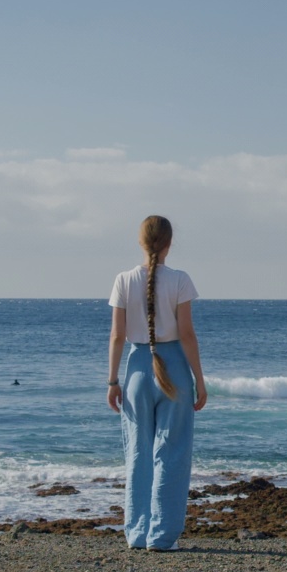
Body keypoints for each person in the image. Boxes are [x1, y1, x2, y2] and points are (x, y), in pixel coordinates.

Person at [106, 215, 207, 551]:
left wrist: (112, 381)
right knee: (172, 452)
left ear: (141, 242)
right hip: (173, 368)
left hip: (136, 369)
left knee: (138, 452)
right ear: (169, 244)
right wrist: (199, 380)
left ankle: (136, 533)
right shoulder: (180, 280)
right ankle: (162, 537)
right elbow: (188, 335)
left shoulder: (123, 279)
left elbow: (118, 335)